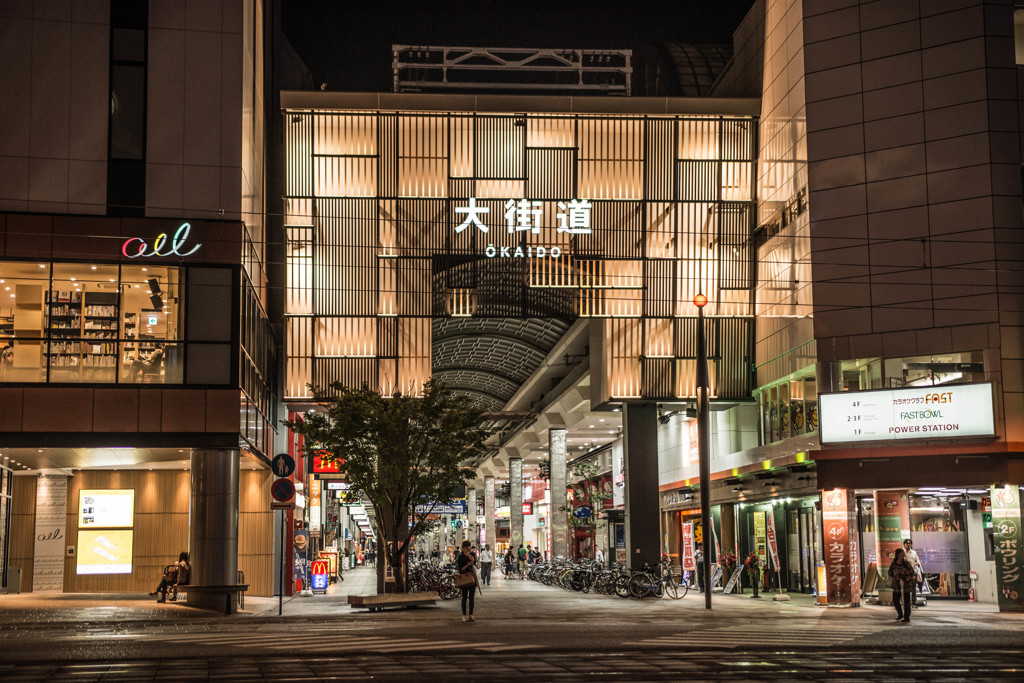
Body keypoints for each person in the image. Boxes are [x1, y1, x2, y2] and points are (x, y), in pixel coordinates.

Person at [890, 548, 916, 623]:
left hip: (906, 585)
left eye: (903, 553)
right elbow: (890, 572)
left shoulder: (906, 563)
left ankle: (906, 616)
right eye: (901, 553)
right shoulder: (893, 564)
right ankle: (900, 614)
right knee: (895, 600)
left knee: (906, 601)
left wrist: (909, 577)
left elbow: (912, 572)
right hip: (897, 585)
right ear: (897, 554)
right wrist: (894, 574)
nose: (903, 554)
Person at [456, 540, 478, 622]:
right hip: (464, 578)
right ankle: (464, 614)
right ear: (465, 547)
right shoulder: (460, 557)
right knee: (464, 597)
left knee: (471, 598)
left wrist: (468, 554)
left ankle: (471, 615)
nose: (469, 548)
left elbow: (473, 560)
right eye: (468, 546)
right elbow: (461, 569)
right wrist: (467, 565)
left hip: (472, 578)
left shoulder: (471, 554)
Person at [903, 538, 923, 603]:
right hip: (904, 573)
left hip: (912, 572)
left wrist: (918, 564)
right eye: (907, 543)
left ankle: (914, 601)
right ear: (904, 544)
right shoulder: (902, 553)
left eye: (909, 543)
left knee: (913, 587)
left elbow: (917, 560)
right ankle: (905, 601)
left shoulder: (914, 553)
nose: (908, 545)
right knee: (905, 587)